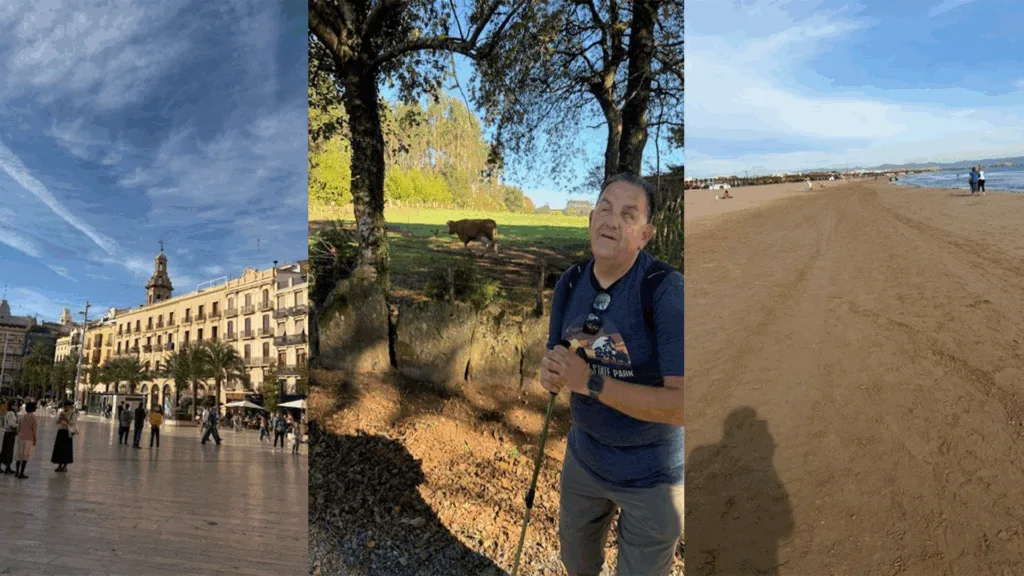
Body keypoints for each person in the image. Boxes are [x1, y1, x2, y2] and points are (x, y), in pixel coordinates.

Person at [542, 172, 684, 576]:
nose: (611, 221)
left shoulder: (667, 293)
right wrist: (551, 373)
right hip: (583, 461)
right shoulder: (569, 284)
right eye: (604, 209)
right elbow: (558, 360)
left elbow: (685, 406)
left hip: (654, 478)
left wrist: (590, 382)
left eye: (627, 215)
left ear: (645, 235)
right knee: (576, 565)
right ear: (590, 219)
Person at [13, 400, 38, 479]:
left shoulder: (22, 417)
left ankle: (17, 472)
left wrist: (19, 436)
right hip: (29, 439)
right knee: (25, 456)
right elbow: (34, 430)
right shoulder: (34, 418)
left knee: (19, 455)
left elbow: (18, 428)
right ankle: (21, 473)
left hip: (21, 438)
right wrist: (35, 440)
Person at [51, 401, 76, 472]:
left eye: (67, 406)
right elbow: (56, 422)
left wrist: (65, 418)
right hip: (61, 431)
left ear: (70, 407)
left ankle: (65, 466)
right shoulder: (61, 412)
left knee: (66, 449)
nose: (66, 407)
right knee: (59, 448)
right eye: (65, 406)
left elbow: (73, 423)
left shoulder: (73, 414)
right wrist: (60, 418)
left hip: (67, 433)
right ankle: (59, 465)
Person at [1, 399, 18, 474]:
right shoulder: (11, 413)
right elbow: (11, 424)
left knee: (5, 450)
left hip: (7, 433)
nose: (16, 406)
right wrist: (18, 425)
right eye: (15, 404)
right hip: (10, 434)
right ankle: (8, 467)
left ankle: (7, 466)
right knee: (9, 450)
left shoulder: (7, 412)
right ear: (12, 405)